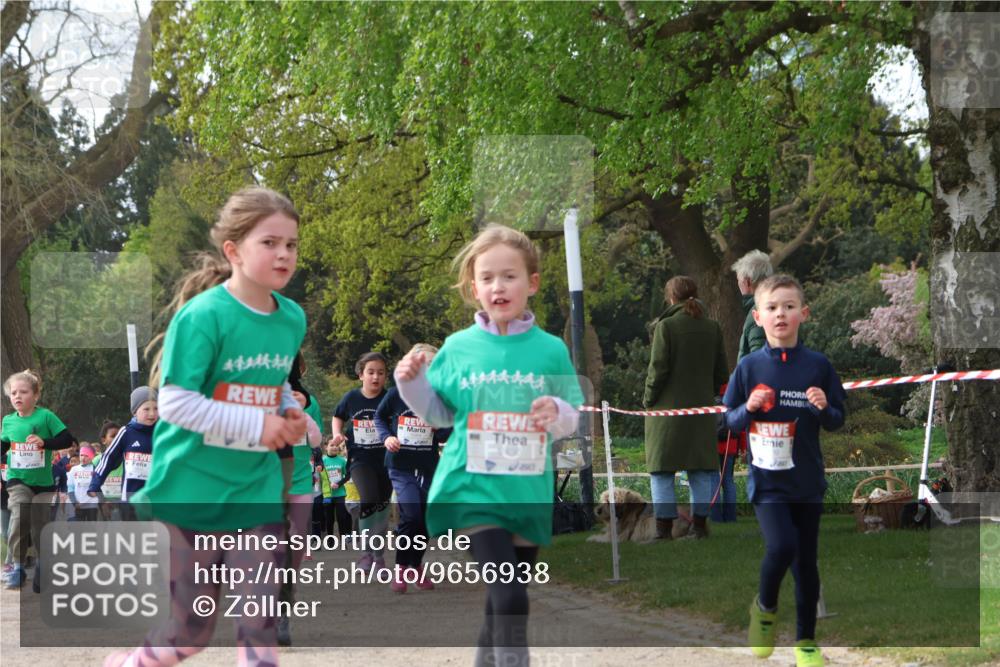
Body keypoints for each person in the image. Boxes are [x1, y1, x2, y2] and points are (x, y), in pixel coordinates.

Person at [105, 186, 307, 667]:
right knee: (190, 635)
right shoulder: (202, 316)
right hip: (189, 488)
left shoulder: (292, 318)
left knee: (260, 621)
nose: (283, 254)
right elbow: (175, 404)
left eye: (292, 244)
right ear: (233, 251)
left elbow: (269, 381)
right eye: (270, 243)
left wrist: (287, 410)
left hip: (252, 489)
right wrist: (257, 425)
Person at [396, 223, 583, 667]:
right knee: (512, 597)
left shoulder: (551, 349)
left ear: (532, 283)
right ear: (473, 287)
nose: (498, 286)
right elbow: (440, 414)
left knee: (501, 601)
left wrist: (556, 412)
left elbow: (571, 414)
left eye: (509, 276)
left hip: (526, 490)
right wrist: (412, 385)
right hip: (473, 488)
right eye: (487, 278)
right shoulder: (459, 349)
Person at [723, 274, 846, 667]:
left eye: (789, 307)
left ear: (803, 314)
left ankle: (806, 643)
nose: (781, 314)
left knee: (806, 563)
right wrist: (750, 408)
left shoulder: (818, 365)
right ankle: (764, 607)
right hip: (768, 482)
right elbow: (729, 420)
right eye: (772, 308)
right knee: (781, 546)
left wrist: (824, 407)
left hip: (807, 480)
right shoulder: (748, 367)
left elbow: (837, 420)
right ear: (757, 317)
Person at [643, 276, 729, 540]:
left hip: (666, 411)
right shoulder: (712, 327)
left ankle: (663, 531)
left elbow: (658, 369)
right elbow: (721, 371)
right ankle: (699, 527)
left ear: (671, 298)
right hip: (701, 411)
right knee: (701, 470)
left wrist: (648, 398)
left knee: (661, 471)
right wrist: (709, 393)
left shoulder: (665, 326)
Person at [374, 343, 452, 593]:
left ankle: (416, 565)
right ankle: (401, 568)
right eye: (422, 364)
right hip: (400, 465)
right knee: (412, 514)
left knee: (426, 519)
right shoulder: (397, 393)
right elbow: (379, 417)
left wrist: (438, 427)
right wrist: (387, 437)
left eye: (432, 365)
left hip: (428, 466)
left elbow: (447, 432)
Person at [1, 370, 75, 591]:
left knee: (40, 527)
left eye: (23, 392)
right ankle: (17, 567)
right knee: (19, 515)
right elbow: (3, 445)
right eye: (13, 392)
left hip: (43, 483)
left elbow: (66, 438)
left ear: (35, 395)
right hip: (17, 480)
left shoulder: (45, 417)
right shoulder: (8, 421)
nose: (17, 396)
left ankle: (44, 568)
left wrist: (44, 442)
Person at [330, 352, 390, 571]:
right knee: (369, 499)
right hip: (360, 458)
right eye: (371, 372)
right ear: (361, 375)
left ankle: (379, 556)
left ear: (386, 376)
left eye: (381, 373)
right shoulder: (352, 398)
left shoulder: (390, 397)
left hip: (386, 460)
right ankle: (365, 553)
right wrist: (337, 434)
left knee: (382, 508)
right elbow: (338, 416)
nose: (376, 377)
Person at [88, 388, 158, 520]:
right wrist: (95, 484)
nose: (152, 413)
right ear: (135, 412)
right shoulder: (126, 432)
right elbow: (108, 459)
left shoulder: (163, 433)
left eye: (156, 408)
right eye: (146, 409)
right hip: (131, 500)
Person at [731, 249, 773, 362]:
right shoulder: (779, 307)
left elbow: (759, 363)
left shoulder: (757, 313)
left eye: (738, 281)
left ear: (747, 282)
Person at [321, 438, 351, 539]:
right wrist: (328, 485)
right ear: (326, 447)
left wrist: (339, 483)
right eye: (332, 445)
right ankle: (330, 540)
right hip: (327, 494)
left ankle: (343, 539)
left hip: (340, 493)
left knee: (341, 517)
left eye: (336, 445)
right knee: (329, 519)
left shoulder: (342, 460)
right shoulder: (322, 461)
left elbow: (347, 475)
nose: (334, 447)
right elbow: (320, 477)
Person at [92, 421, 123, 520]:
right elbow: (93, 483)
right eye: (113, 436)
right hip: (102, 506)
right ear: (103, 440)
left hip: (123, 504)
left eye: (119, 436)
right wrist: (103, 502)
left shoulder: (127, 459)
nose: (117, 439)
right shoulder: (97, 461)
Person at [69, 445, 99, 521]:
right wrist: (74, 502)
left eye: (86, 456)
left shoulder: (95, 469)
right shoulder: (74, 469)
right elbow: (70, 488)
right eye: (81, 455)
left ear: (92, 457)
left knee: (91, 528)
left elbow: (98, 487)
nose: (83, 458)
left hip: (92, 504)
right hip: (79, 504)